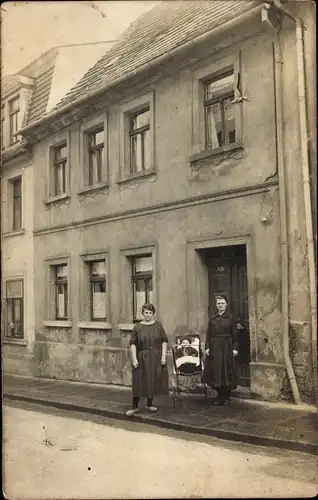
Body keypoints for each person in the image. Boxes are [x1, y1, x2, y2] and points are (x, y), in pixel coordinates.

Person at [126, 303, 169, 417]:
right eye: (146, 313)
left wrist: (163, 356)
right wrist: (134, 359)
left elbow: (164, 341)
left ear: (153, 314)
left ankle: (150, 404)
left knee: (152, 380)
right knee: (139, 381)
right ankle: (134, 407)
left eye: (150, 313)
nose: (148, 315)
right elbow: (133, 344)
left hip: (155, 357)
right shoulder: (138, 327)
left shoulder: (158, 326)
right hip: (142, 357)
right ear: (142, 313)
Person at [203, 294, 238, 406]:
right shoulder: (212, 318)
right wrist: (207, 347)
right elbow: (208, 334)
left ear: (226, 304)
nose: (221, 305)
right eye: (219, 303)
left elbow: (235, 335)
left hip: (227, 347)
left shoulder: (231, 318)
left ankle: (226, 397)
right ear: (216, 305)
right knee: (216, 371)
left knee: (226, 371)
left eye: (222, 303)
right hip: (215, 347)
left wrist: (235, 348)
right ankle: (218, 396)